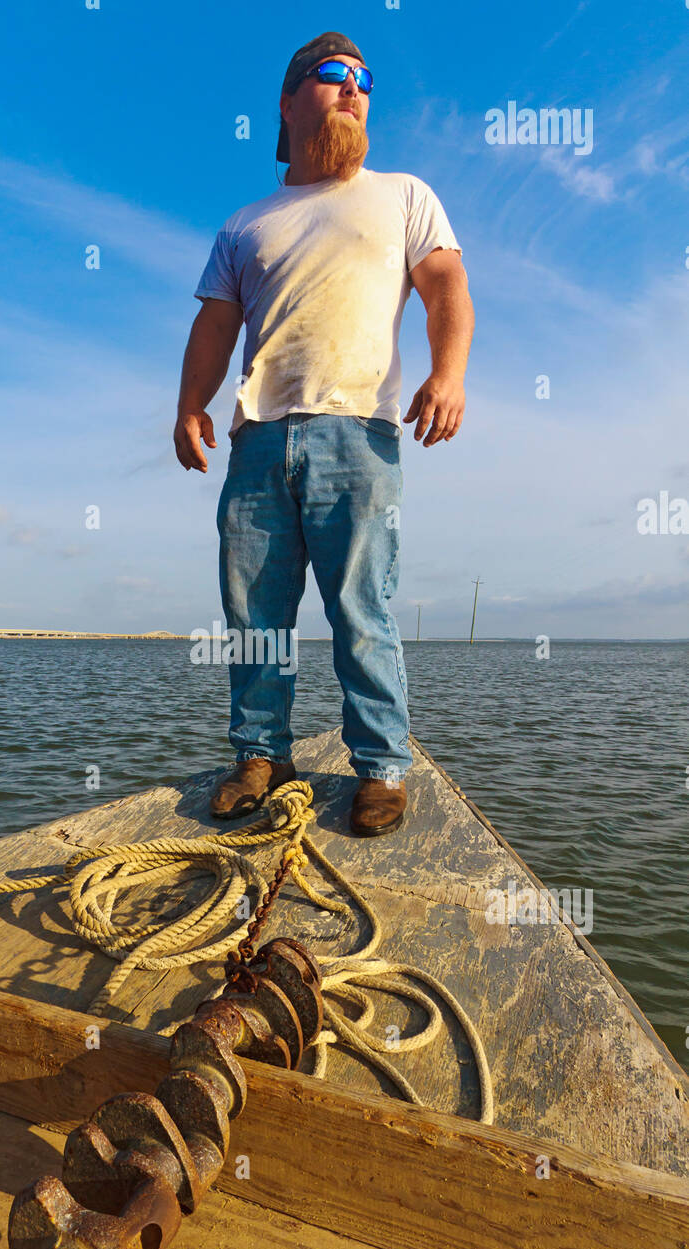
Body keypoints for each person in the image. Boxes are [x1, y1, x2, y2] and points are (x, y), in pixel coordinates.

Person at [174, 31, 474, 835]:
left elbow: (445, 283)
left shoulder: (405, 194)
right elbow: (215, 325)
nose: (354, 88)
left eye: (366, 80)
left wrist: (447, 373)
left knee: (360, 607)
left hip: (360, 436)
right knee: (254, 613)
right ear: (289, 98)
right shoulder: (246, 224)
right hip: (259, 439)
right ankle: (262, 753)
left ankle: (378, 766)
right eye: (335, 74)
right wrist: (188, 404)